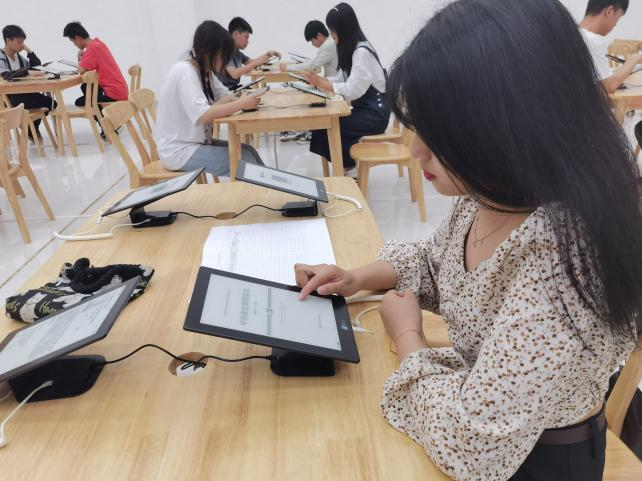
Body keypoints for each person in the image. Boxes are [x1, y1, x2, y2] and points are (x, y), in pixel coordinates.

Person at [294, 1, 642, 480]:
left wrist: (408, 337)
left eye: (441, 135)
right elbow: (437, 263)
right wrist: (356, 278)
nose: (416, 150)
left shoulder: (564, 259)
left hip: (531, 460)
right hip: (478, 414)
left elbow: (471, 444)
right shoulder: (492, 190)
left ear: (511, 126)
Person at [155, 20, 264, 177]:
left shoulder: (204, 70)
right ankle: (266, 190)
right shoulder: (185, 72)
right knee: (244, 159)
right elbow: (203, 115)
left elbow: (225, 95)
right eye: (224, 55)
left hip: (195, 143)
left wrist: (239, 100)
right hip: (179, 151)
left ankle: (270, 189)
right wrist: (240, 103)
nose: (226, 60)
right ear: (210, 52)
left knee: (248, 150)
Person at [302, 3, 389, 178]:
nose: (332, 35)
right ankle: (347, 167)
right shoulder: (355, 49)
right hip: (365, 110)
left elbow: (351, 90)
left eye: (333, 30)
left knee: (329, 125)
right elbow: (343, 79)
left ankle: (349, 170)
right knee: (323, 125)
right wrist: (321, 81)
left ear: (343, 29)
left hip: (374, 115)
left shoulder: (362, 53)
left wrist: (322, 83)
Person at [0, 25, 56, 140]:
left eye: (23, 42)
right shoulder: (1, 57)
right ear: (8, 40)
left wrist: (29, 51)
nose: (22, 45)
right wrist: (28, 72)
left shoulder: (20, 58)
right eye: (19, 42)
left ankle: (31, 128)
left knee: (51, 103)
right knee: (37, 104)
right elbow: (7, 76)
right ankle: (30, 128)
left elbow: (36, 67)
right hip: (8, 97)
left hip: (24, 93)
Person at [580, 0, 642, 93]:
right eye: (618, 17)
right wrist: (635, 58)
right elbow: (608, 86)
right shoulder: (593, 40)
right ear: (609, 11)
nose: (616, 24)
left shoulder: (574, 32)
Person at [62, 22, 128, 108]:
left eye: (73, 42)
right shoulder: (98, 43)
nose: (74, 45)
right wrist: (84, 58)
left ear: (78, 38)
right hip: (119, 90)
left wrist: (80, 58)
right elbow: (88, 69)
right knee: (85, 88)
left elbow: (81, 71)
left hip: (113, 94)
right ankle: (100, 114)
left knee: (80, 100)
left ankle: (102, 116)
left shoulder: (92, 48)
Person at [216, 17, 280, 91]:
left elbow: (252, 62)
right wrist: (255, 63)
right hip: (225, 92)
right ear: (236, 34)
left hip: (234, 89)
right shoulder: (224, 51)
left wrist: (268, 55)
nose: (247, 41)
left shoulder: (237, 53)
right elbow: (235, 74)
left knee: (263, 92)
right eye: (246, 37)